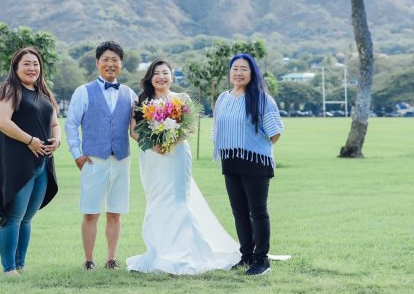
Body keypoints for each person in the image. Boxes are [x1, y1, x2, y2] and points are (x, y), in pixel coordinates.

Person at [126, 59, 240, 274]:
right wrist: (154, 146)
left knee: (178, 200)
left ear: (172, 76)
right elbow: (133, 131)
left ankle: (182, 253)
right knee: (156, 200)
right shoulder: (141, 101)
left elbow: (190, 127)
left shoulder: (182, 98)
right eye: (156, 73)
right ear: (150, 77)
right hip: (151, 157)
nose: (161, 77)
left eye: (165, 73)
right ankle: (158, 251)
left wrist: (170, 143)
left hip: (176, 154)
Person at [65, 41, 137, 270]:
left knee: (115, 212)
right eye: (105, 59)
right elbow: (71, 123)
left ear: (121, 64)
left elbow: (137, 128)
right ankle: (88, 260)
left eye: (115, 60)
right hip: (93, 160)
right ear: (97, 63)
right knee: (91, 212)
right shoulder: (83, 92)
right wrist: (77, 154)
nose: (110, 64)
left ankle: (111, 259)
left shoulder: (130, 94)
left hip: (121, 160)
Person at [0, 47, 61, 277]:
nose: (32, 68)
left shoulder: (44, 93)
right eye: (27, 64)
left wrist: (57, 141)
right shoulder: (9, 89)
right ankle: (9, 269)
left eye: (36, 64)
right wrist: (30, 140)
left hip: (42, 163)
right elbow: (2, 121)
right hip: (16, 162)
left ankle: (20, 265)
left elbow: (54, 124)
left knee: (27, 218)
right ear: (16, 67)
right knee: (13, 217)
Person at [212, 53, 283, 276]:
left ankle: (262, 260)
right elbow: (217, 129)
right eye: (235, 68)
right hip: (230, 160)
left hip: (255, 162)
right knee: (239, 212)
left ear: (252, 73)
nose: (239, 73)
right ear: (230, 72)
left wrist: (254, 144)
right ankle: (247, 256)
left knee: (258, 211)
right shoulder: (223, 98)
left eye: (244, 69)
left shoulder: (262, 99)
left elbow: (275, 133)